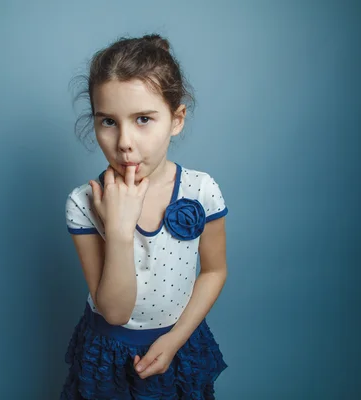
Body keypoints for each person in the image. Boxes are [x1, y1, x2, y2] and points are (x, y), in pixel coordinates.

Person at [60, 33, 229, 400]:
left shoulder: (200, 190)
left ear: (176, 119)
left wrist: (174, 339)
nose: (123, 141)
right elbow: (115, 312)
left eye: (142, 119)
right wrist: (120, 230)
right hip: (109, 352)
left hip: (179, 340)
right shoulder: (83, 202)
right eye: (108, 121)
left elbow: (215, 270)